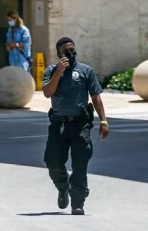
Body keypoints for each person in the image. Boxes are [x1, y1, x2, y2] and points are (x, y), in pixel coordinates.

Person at [42, 37, 109, 215]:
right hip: (59, 124)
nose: (70, 53)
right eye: (65, 50)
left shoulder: (85, 70)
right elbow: (47, 93)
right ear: (59, 53)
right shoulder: (51, 70)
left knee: (80, 163)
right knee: (52, 162)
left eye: (72, 49)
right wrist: (59, 72)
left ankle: (77, 202)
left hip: (80, 124)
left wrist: (103, 121)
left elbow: (96, 96)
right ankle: (63, 188)